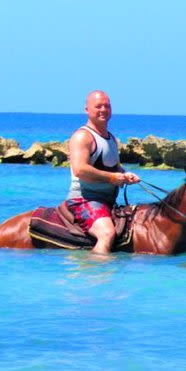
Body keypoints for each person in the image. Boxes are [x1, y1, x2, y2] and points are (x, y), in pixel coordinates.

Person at [66, 90, 140, 255]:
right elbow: (80, 169)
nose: (103, 110)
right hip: (84, 199)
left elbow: (114, 168)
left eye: (107, 106)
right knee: (107, 234)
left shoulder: (111, 138)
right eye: (98, 106)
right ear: (87, 110)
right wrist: (113, 178)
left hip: (108, 201)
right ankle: (97, 274)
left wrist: (125, 175)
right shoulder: (82, 137)